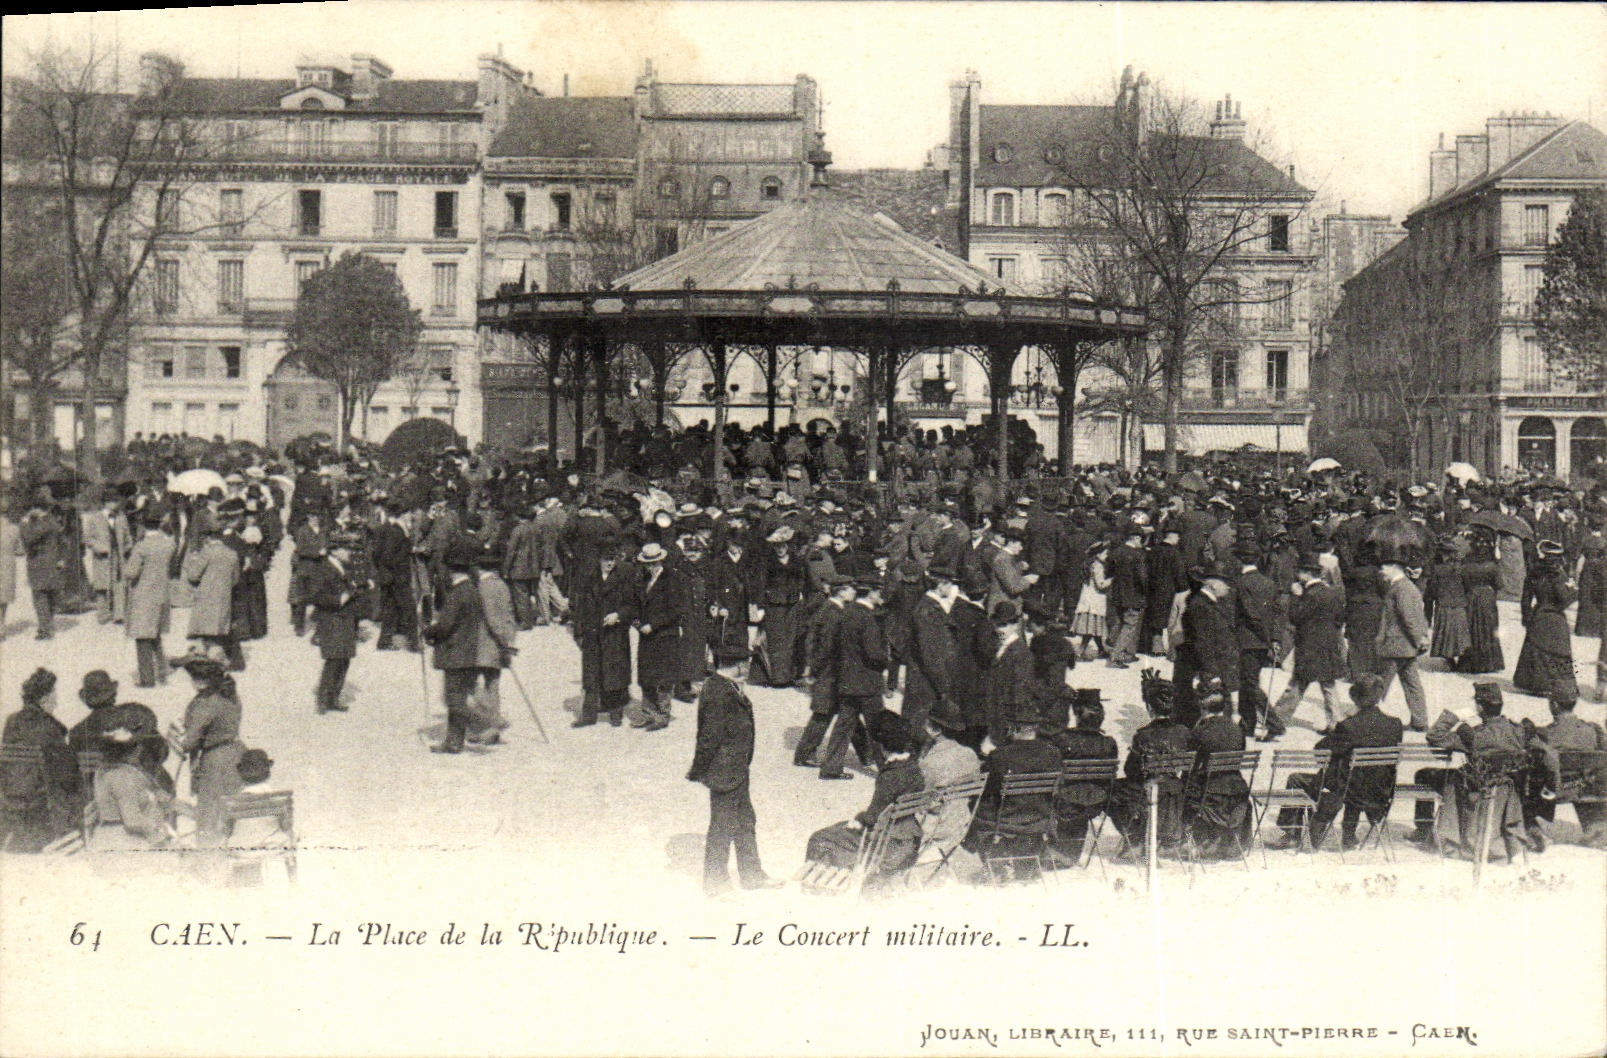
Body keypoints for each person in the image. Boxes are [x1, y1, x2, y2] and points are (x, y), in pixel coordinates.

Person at [686, 647, 783, 895]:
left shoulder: (726, 686)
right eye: (746, 663)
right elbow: (708, 737)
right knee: (722, 826)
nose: (749, 668)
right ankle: (715, 884)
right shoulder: (718, 691)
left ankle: (752, 875)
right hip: (725, 772)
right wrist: (699, 770)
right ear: (739, 665)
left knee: (745, 821)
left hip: (737, 768)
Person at [1267, 674, 1403, 851]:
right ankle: (1348, 835)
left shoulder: (1350, 726)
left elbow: (1321, 751)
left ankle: (1292, 834)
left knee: (1296, 779)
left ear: (1355, 698)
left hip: (1347, 790)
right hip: (1379, 790)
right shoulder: (1395, 725)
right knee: (1352, 774)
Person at [1411, 681, 1529, 859]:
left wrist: (1455, 716)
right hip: (1504, 787)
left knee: (1423, 774)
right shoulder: (1516, 731)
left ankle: (1423, 830)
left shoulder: (1474, 735)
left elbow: (1434, 735)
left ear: (1480, 707)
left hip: (1474, 786)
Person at [803, 711, 925, 882]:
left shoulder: (890, 776)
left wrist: (859, 819)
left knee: (819, 838)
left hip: (887, 844)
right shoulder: (914, 768)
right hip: (910, 838)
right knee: (841, 828)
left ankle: (819, 885)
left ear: (881, 745)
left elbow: (873, 817)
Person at [424, 539, 493, 754]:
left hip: (454, 653)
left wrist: (429, 631)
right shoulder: (473, 590)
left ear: (451, 570)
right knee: (459, 697)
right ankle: (456, 741)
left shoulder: (456, 594)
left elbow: (445, 626)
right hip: (469, 651)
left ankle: (481, 726)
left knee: (454, 700)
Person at [169, 651, 245, 845]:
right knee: (231, 807)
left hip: (215, 760)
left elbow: (188, 743)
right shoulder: (230, 695)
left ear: (197, 680)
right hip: (237, 752)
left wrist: (175, 734)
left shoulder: (203, 703)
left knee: (210, 812)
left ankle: (208, 855)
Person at [1267, 552, 1346, 739]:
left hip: (1309, 647)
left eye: (1300, 572)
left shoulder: (1308, 594)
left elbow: (1295, 617)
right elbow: (1340, 618)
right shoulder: (1331, 592)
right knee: (1328, 686)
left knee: (1297, 685)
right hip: (1328, 647)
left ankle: (1277, 721)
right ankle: (1337, 725)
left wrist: (1296, 597)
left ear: (1306, 574)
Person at [1, 669, 80, 852]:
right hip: (43, 798)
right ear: (44, 699)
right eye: (54, 696)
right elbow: (67, 772)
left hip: (11, 794)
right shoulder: (49, 727)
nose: (56, 702)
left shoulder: (12, 722)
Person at [819, 576, 889, 780]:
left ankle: (831, 768)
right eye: (880, 592)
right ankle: (887, 769)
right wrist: (887, 661)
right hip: (868, 681)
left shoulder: (846, 612)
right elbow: (873, 653)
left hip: (847, 680)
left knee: (843, 726)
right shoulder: (868, 617)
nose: (882, 596)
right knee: (877, 726)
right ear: (872, 592)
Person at [1522, 691, 1607, 851]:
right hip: (1585, 788)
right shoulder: (1591, 731)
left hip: (1553, 791)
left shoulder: (1545, 734)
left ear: (1554, 705)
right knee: (1586, 774)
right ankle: (1597, 829)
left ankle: (1533, 830)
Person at [1045, 689, 1119, 866]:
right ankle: (1066, 853)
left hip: (1065, 804)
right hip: (1097, 804)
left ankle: (1059, 853)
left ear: (1076, 713)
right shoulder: (1109, 743)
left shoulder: (1062, 740)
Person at [1184, 677, 1252, 859]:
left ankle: (1193, 839)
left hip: (1211, 793)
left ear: (1202, 707)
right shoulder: (1237, 730)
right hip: (1237, 791)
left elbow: (1190, 764)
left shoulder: (1201, 731)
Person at [571, 544, 636, 728]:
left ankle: (616, 713)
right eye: (606, 559)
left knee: (614, 674)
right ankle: (588, 715)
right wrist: (579, 633)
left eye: (613, 559)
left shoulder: (623, 578)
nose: (610, 563)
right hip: (593, 634)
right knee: (591, 675)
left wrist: (618, 615)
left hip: (615, 635)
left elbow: (632, 605)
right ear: (599, 560)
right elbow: (579, 608)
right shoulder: (588, 578)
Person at [90, 726, 181, 852]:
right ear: (135, 750)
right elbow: (132, 821)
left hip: (114, 838)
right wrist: (161, 831)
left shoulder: (107, 771)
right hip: (125, 841)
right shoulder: (122, 776)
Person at [306, 533, 365, 715]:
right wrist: (340, 599)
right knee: (333, 660)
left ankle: (334, 698)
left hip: (345, 618)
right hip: (332, 619)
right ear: (335, 551)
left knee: (344, 659)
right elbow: (315, 596)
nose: (349, 552)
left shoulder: (342, 566)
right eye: (346, 549)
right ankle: (323, 701)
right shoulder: (322, 568)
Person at [1513, 540, 1578, 701]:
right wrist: (1574, 591)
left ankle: (1535, 684)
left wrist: (1527, 617)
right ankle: (1557, 685)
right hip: (1556, 618)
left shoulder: (1534, 573)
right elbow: (1563, 599)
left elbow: (1525, 599)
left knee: (1536, 650)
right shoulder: (1559, 575)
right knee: (1558, 652)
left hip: (1539, 615)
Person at [634, 541, 687, 732]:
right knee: (646, 674)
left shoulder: (672, 579)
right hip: (647, 634)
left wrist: (653, 625)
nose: (650, 567)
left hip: (665, 635)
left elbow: (675, 610)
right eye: (647, 564)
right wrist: (637, 621)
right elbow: (637, 603)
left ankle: (663, 714)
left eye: (653, 563)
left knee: (664, 675)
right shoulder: (643, 579)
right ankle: (648, 713)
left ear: (660, 561)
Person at [1374, 557, 1430, 732]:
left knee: (1379, 684)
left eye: (1384, 567)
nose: (1381, 571)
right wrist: (1420, 638)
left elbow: (1409, 618)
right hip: (1406, 647)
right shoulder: (1406, 586)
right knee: (1412, 684)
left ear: (1394, 567)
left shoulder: (1401, 588)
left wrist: (1419, 639)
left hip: (1397, 645)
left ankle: (1366, 718)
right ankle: (1420, 721)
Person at [124, 507, 176, 688]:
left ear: (143, 526)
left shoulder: (141, 547)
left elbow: (131, 572)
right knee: (156, 636)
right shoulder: (169, 545)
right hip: (162, 594)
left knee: (143, 638)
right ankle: (162, 672)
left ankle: (147, 679)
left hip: (144, 596)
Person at [1233, 539, 1278, 740]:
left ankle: (1274, 723)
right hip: (1261, 641)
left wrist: (1265, 637)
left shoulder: (1240, 583)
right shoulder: (1269, 583)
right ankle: (1247, 724)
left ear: (1240, 560)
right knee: (1247, 681)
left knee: (1249, 684)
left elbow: (1250, 614)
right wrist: (1274, 639)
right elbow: (1277, 613)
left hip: (1247, 639)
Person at [183, 516, 243, 667]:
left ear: (208, 537)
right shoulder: (232, 554)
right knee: (217, 633)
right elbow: (235, 579)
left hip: (206, 599)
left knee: (205, 635)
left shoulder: (207, 552)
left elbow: (193, 575)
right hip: (223, 600)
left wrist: (190, 562)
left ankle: (211, 661)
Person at [18, 491, 64, 640]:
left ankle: (45, 630)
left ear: (36, 508)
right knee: (48, 596)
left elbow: (29, 539)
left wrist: (24, 524)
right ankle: (48, 625)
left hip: (39, 564)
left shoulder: (41, 523)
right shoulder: (52, 521)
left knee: (40, 597)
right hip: (51, 564)